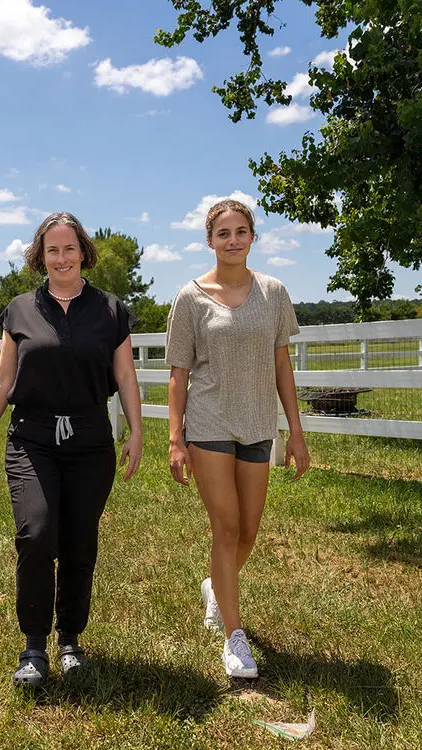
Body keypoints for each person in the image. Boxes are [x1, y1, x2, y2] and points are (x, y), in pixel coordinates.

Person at [0, 212, 143, 687]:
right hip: (32, 440)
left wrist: (137, 431)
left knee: (80, 543)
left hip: (90, 442)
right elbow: (4, 378)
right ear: (39, 257)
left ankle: (69, 640)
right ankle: (32, 647)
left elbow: (124, 375)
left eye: (69, 249)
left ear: (83, 251)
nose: (61, 258)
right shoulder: (20, 310)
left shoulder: (110, 310)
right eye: (52, 250)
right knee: (37, 535)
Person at [166, 199, 309, 679]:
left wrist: (296, 431)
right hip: (208, 424)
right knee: (226, 529)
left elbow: (282, 366)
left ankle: (215, 586)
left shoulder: (273, 292)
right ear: (210, 241)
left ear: (252, 237)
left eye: (240, 231)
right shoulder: (190, 298)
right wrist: (175, 438)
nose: (232, 240)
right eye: (223, 233)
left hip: (257, 425)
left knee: (249, 531)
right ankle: (233, 636)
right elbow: (177, 374)